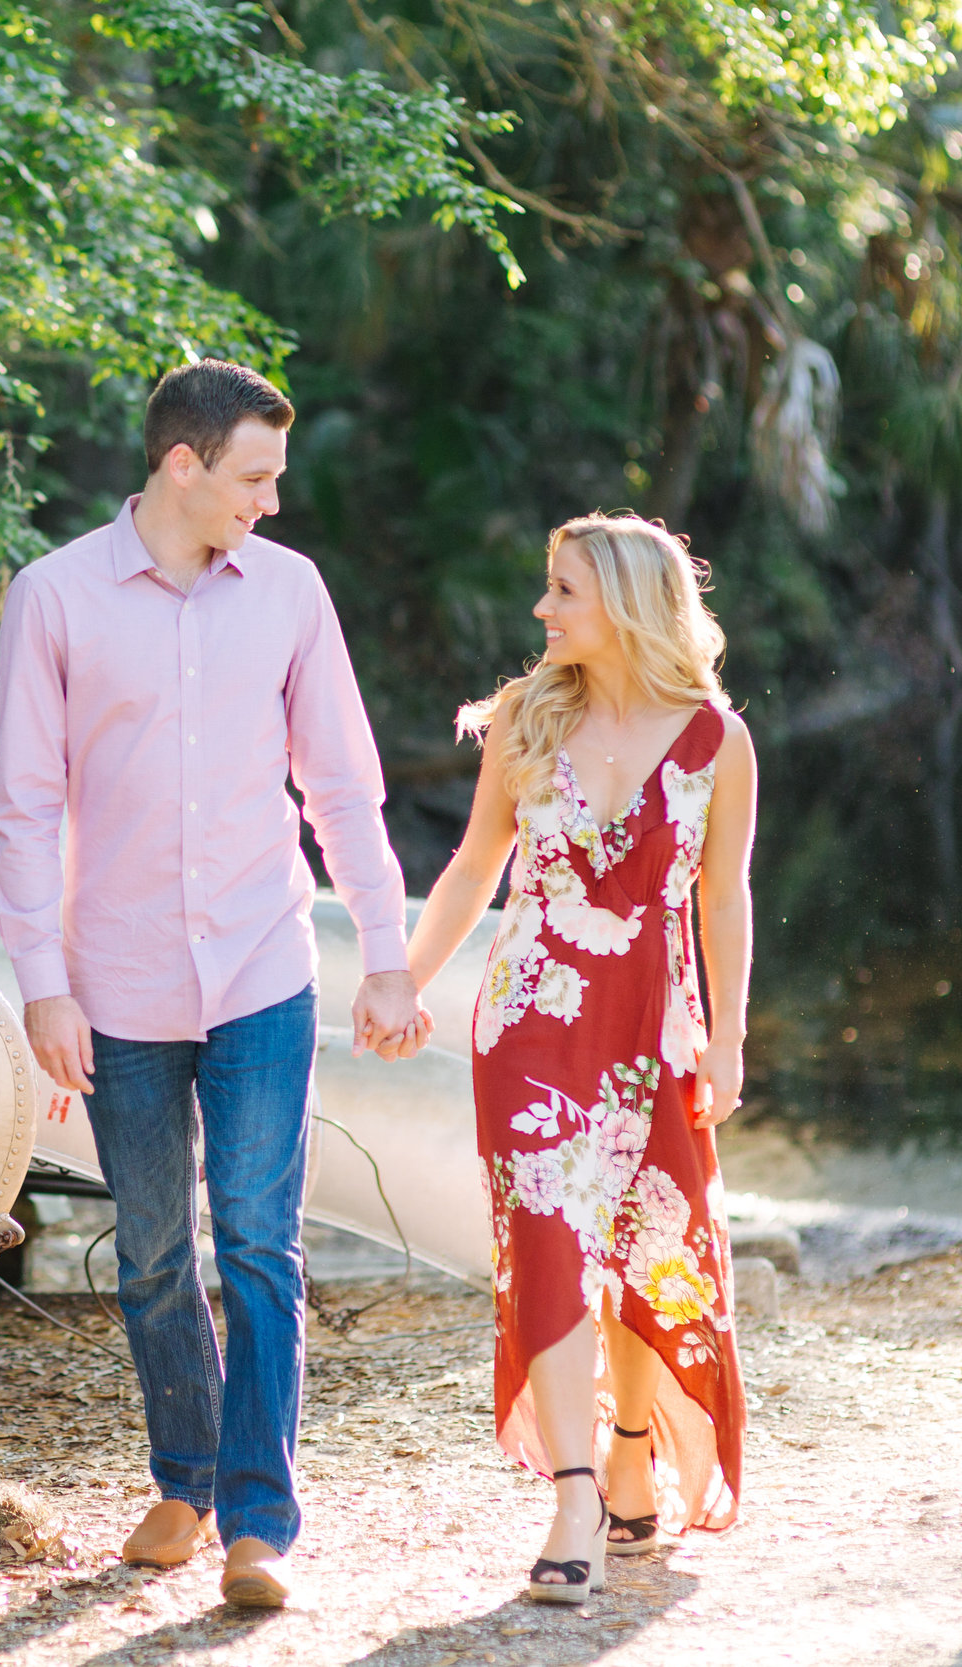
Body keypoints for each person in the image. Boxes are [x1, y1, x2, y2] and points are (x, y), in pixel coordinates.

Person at [0, 359, 430, 1610]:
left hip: (257, 966)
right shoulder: (56, 596)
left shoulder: (288, 593)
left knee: (256, 1243)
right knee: (148, 1247)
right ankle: (180, 1479)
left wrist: (387, 955)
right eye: (253, 476)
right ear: (180, 464)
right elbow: (22, 806)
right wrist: (42, 983)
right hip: (115, 981)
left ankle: (258, 1519)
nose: (271, 502)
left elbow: (341, 787)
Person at [401, 513, 754, 1603]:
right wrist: (398, 983)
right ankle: (569, 1496)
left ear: (629, 604)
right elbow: (471, 870)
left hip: (654, 1021)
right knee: (550, 1239)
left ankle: (630, 1441)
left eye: (563, 591)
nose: (543, 609)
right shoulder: (525, 715)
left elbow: (722, 895)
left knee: (648, 1236)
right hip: (531, 1016)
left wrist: (729, 1035)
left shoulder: (714, 737)